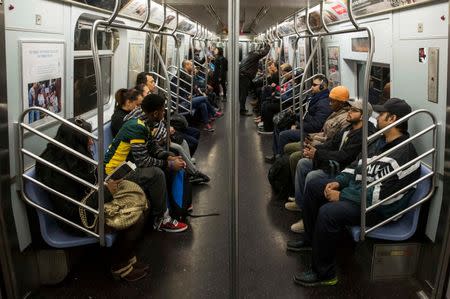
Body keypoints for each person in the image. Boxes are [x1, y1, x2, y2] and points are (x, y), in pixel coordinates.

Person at [289, 98, 420, 287]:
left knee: (329, 213)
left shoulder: (403, 155)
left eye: (381, 114)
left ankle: (325, 273)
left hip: (378, 209)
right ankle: (311, 240)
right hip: (360, 193)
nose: (376, 117)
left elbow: (379, 197)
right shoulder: (379, 141)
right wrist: (338, 182)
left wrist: (342, 196)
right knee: (314, 186)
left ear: (392, 118)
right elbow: (354, 166)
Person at [35, 118, 148, 282]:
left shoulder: (72, 155)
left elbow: (87, 184)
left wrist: (105, 183)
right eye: (87, 137)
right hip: (77, 220)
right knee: (136, 218)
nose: (91, 141)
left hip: (90, 204)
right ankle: (120, 267)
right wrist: (106, 192)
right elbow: (72, 211)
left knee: (142, 203)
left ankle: (128, 258)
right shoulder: (55, 170)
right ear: (76, 139)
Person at [286, 99, 376, 233]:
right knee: (303, 163)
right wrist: (314, 149)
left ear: (363, 116)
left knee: (312, 176)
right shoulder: (349, 128)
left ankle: (308, 220)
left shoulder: (364, 135)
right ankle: (301, 204)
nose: (349, 112)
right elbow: (332, 143)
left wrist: (318, 154)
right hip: (332, 162)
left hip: (342, 169)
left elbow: (345, 156)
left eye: (354, 110)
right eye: (350, 109)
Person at [105, 94, 188, 233]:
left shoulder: (145, 122)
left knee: (169, 158)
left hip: (128, 166)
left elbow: (152, 147)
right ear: (155, 113)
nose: (164, 113)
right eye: (162, 110)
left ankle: (175, 208)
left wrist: (168, 157)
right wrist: (169, 165)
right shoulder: (137, 126)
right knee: (157, 174)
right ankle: (162, 219)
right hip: (115, 173)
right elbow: (143, 161)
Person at [284, 85, 352, 179]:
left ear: (341, 103)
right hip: (318, 141)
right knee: (288, 148)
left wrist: (314, 141)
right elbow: (324, 132)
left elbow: (333, 141)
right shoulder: (335, 112)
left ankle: (295, 188)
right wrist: (311, 136)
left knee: (295, 156)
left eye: (333, 101)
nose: (330, 104)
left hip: (324, 147)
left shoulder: (344, 119)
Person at [266, 74, 332, 162]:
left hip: (310, 133)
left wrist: (298, 126)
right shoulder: (315, 98)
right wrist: (295, 116)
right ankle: (277, 154)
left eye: (314, 85)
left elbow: (317, 126)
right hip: (305, 124)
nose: (311, 87)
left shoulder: (323, 103)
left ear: (322, 87)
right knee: (280, 124)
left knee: (283, 135)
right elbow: (307, 115)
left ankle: (280, 160)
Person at [239, 43, 270, 116]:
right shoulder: (255, 54)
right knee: (243, 94)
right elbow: (264, 52)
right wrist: (268, 45)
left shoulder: (250, 54)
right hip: (244, 76)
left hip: (244, 75)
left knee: (245, 93)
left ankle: (243, 108)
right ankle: (242, 110)